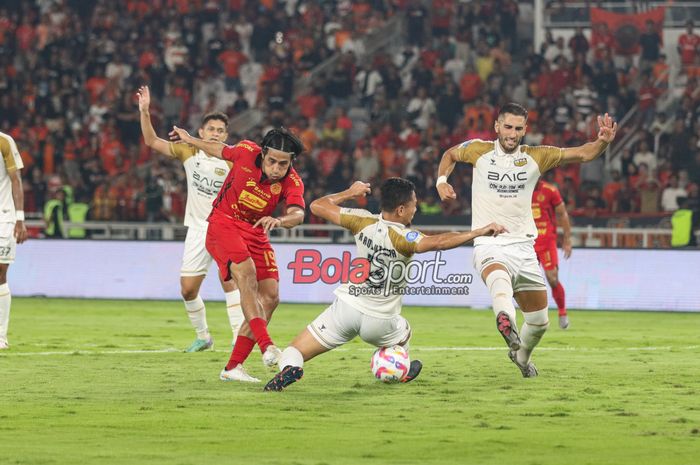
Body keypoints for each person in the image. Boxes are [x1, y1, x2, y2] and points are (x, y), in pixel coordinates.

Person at [263, 178, 507, 391]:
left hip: (346, 308)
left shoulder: (361, 221)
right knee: (405, 329)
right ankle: (400, 368)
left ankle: (291, 368)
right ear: (401, 209)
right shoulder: (405, 237)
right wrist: (478, 232)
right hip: (380, 321)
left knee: (294, 350)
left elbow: (317, 206)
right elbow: (440, 242)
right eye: (413, 204)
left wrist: (350, 192)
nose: (416, 207)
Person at [436, 102, 617, 377]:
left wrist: (601, 142)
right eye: (507, 127)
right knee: (499, 278)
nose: (512, 133)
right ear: (497, 126)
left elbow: (583, 153)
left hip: (523, 247)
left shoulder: (537, 156)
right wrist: (441, 181)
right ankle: (505, 318)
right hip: (489, 240)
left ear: (525, 130)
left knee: (540, 321)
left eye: (518, 128)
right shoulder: (479, 150)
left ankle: (521, 357)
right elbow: (450, 155)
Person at [168, 125, 305, 382]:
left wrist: (282, 220)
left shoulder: (293, 180)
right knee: (246, 274)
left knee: (271, 297)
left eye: (283, 164)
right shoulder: (244, 151)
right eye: (272, 161)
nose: (276, 168)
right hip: (224, 222)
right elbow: (219, 149)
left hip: (257, 231)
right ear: (263, 154)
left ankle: (233, 367)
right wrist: (191, 140)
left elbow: (299, 213)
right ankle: (266, 345)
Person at [137, 86, 244, 353]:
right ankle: (204, 337)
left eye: (221, 131)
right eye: (211, 130)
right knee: (187, 290)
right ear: (201, 133)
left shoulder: (234, 159)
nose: (216, 134)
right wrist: (144, 111)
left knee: (229, 280)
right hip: (197, 229)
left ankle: (237, 340)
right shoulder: (189, 152)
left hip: (226, 228)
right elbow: (152, 142)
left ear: (226, 136)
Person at [0, 131, 28, 349]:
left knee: (0, 273)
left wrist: (20, 219)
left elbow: (16, 179)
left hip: (4, 217)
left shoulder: (4, 141)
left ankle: (1, 337)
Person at [531, 179, 572, 329]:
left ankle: (562, 312)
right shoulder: (519, 190)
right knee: (529, 281)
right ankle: (535, 318)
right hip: (527, 242)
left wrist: (567, 240)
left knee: (552, 278)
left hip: (547, 241)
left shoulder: (550, 190)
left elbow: (563, 214)